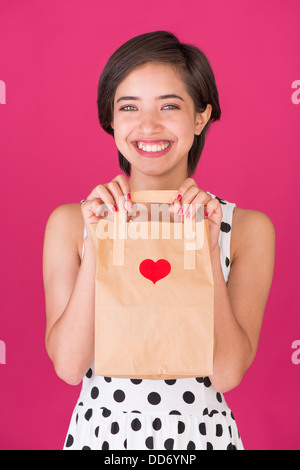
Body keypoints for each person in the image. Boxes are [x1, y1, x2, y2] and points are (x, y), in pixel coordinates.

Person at [42, 31, 275, 450]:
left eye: (170, 106)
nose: (148, 125)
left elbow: (226, 373)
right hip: (102, 438)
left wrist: (203, 245)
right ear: (111, 119)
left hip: (202, 439)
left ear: (201, 117)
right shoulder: (71, 223)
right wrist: (101, 241)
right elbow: (70, 366)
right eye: (128, 107)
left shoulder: (246, 229)